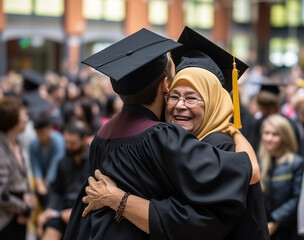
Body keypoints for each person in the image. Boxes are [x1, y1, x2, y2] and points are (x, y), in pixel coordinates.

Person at [64, 27, 259, 240]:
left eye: (192, 97)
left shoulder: (102, 136)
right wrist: (240, 141)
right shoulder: (162, 136)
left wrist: (117, 199)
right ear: (165, 86)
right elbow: (245, 172)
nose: (180, 105)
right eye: (175, 95)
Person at [36, 120, 90, 240]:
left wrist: (75, 211)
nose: (68, 147)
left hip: (87, 213)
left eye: (73, 143)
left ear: (84, 140)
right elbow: (56, 191)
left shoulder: (95, 161)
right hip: (63, 211)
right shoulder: (63, 162)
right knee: (50, 230)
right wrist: (50, 209)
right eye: (66, 142)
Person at [258, 114, 304, 240]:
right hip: (264, 226)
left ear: (285, 137)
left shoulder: (296, 163)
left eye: (275, 134)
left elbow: (297, 198)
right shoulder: (259, 162)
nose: (269, 138)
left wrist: (275, 221)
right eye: (266, 133)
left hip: (287, 228)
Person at [0, 97, 35, 240]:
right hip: (5, 218)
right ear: (13, 119)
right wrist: (24, 208)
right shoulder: (1, 149)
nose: (27, 119)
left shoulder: (16, 142)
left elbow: (21, 176)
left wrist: (28, 197)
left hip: (19, 213)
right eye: (24, 115)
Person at [30, 111, 65, 207]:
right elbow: (35, 164)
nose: (40, 136)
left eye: (42, 132)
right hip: (42, 179)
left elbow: (56, 163)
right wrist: (40, 183)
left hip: (57, 179)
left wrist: (45, 184)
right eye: (37, 133)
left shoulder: (58, 140)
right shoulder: (34, 143)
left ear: (50, 128)